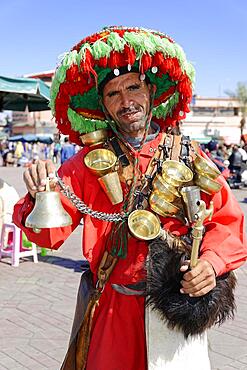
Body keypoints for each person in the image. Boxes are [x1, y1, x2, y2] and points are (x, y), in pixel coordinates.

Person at [13, 26, 247, 370]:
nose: (126, 101)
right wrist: (38, 196)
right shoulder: (85, 165)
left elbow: (227, 223)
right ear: (103, 107)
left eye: (133, 87)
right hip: (111, 311)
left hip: (174, 309)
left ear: (150, 91)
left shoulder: (189, 156)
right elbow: (47, 235)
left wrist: (210, 266)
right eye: (112, 94)